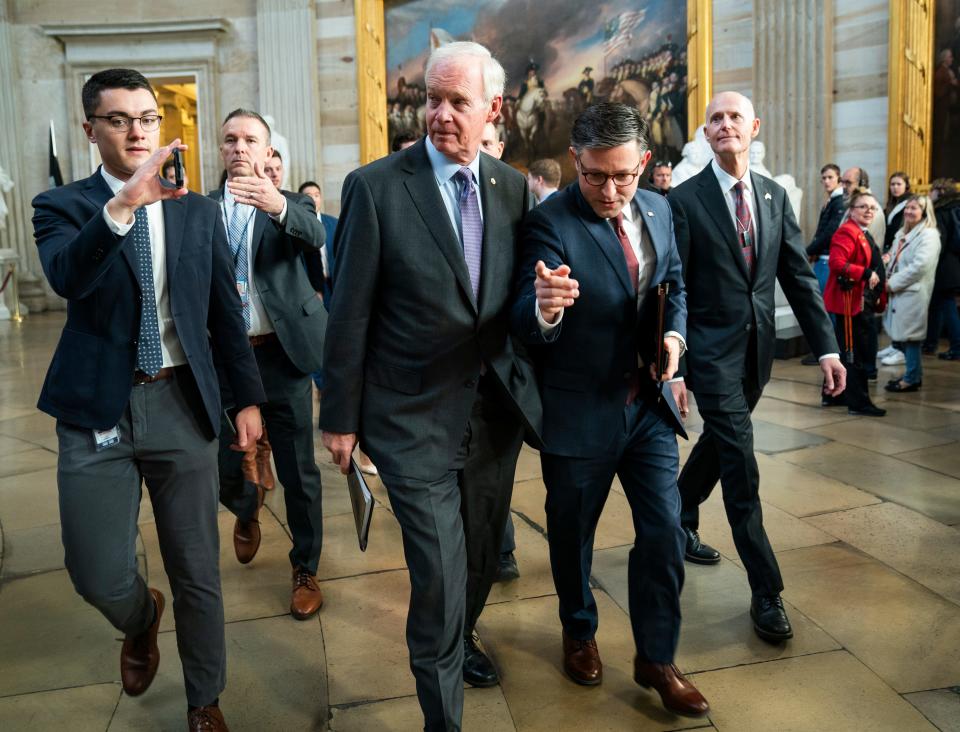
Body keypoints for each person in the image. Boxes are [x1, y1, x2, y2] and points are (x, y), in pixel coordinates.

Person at [32, 68, 266, 732]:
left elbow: (224, 311)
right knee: (96, 572)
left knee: (197, 567)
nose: (137, 130)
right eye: (119, 119)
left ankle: (205, 701)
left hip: (180, 401)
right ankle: (140, 618)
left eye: (147, 118)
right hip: (95, 409)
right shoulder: (63, 206)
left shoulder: (195, 208)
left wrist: (246, 399)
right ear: (90, 130)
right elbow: (67, 277)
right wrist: (124, 206)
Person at [318, 41, 542, 731]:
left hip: (492, 419)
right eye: (430, 100)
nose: (439, 115)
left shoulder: (512, 188)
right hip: (409, 419)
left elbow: (510, 308)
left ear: (493, 110)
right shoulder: (376, 187)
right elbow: (349, 310)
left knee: (477, 561)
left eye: (457, 103)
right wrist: (341, 418)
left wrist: (547, 304)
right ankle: (443, 717)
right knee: (440, 581)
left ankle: (459, 637)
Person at [511, 102, 708, 717]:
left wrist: (674, 339)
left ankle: (656, 654)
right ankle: (579, 628)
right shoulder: (549, 221)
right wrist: (545, 306)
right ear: (576, 161)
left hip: (646, 405)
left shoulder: (658, 207)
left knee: (665, 529)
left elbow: (671, 284)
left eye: (623, 175)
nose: (609, 190)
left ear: (644, 163)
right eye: (595, 175)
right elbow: (522, 311)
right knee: (573, 536)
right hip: (579, 411)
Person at [669, 91, 844, 643]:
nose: (725, 125)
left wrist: (828, 348)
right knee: (741, 464)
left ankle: (677, 509)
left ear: (753, 127)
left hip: (757, 354)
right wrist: (673, 367)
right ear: (705, 131)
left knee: (721, 445)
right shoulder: (685, 199)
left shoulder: (772, 195)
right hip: (709, 355)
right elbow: (673, 287)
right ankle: (766, 590)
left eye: (734, 117)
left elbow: (797, 275)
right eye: (715, 119)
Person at [210, 108, 328, 621]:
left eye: (250, 139)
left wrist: (277, 204)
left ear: (266, 150)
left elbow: (315, 236)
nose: (240, 147)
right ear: (221, 150)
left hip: (282, 355)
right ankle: (245, 506)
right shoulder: (199, 210)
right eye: (231, 139)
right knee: (226, 458)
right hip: (227, 361)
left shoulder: (290, 203)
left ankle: (305, 566)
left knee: (300, 470)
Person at [823, 188, 886, 416]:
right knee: (853, 353)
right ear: (851, 210)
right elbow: (837, 263)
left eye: (872, 207)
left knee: (844, 350)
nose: (869, 211)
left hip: (857, 302)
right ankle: (859, 403)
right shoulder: (847, 232)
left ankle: (833, 395)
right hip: (848, 303)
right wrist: (867, 273)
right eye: (863, 206)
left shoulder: (862, 231)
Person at [883, 195, 941, 392]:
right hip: (901, 292)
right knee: (904, 338)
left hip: (913, 292)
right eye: (907, 208)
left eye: (914, 208)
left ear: (924, 212)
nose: (908, 211)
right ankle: (912, 374)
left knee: (911, 338)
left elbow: (919, 267)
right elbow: (895, 256)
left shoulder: (929, 235)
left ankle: (911, 378)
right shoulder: (903, 232)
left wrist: (892, 283)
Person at [877, 172, 912, 367]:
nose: (895, 187)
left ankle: (901, 349)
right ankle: (894, 343)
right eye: (892, 184)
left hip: (898, 254)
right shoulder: (891, 204)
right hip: (888, 254)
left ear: (906, 186)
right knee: (890, 305)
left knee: (899, 306)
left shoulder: (908, 203)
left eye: (898, 184)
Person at [925, 179, 960, 359]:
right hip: (954, 264)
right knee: (937, 306)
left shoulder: (941, 211)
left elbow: (941, 241)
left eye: (932, 190)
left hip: (944, 266)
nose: (929, 193)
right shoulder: (956, 207)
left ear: (940, 191)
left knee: (946, 306)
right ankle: (930, 343)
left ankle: (957, 347)